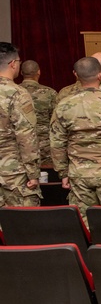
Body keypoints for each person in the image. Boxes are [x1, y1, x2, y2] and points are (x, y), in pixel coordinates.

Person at [49, 57, 101, 221]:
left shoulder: (64, 105)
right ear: (100, 75)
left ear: (75, 75)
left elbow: (57, 143)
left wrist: (63, 172)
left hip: (79, 175)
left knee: (84, 224)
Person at [0, 42, 40, 206]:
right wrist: (33, 172)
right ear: (13, 64)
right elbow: (26, 135)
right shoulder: (18, 93)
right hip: (13, 172)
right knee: (22, 225)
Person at [18, 59, 56, 166]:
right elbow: (56, 122)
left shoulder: (15, 92)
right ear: (39, 72)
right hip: (46, 147)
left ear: (21, 73)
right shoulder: (50, 93)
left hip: (21, 145)